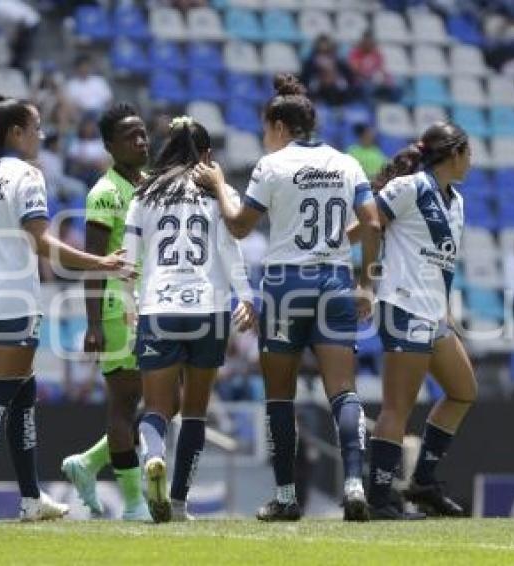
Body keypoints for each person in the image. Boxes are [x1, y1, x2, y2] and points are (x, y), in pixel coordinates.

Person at [0, 93, 134, 523]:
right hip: (13, 301)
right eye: (37, 128)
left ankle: (32, 498)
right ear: (17, 132)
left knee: (23, 394)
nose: (42, 135)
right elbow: (42, 244)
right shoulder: (26, 176)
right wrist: (100, 261)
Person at [195, 75, 381, 522]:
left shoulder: (271, 165)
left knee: (280, 397)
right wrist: (367, 284)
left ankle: (284, 496)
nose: (264, 136)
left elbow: (239, 225)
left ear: (279, 124)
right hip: (335, 283)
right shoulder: (347, 163)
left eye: (265, 127)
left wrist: (219, 184)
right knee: (344, 392)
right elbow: (373, 225)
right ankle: (355, 483)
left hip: (285, 285)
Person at [127, 116, 256, 522]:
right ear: (207, 156)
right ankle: (180, 503)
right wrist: (247, 296)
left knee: (156, 408)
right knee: (196, 411)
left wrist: (133, 302)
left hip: (159, 306)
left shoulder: (144, 194)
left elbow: (129, 262)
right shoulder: (219, 192)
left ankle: (153, 455)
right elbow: (232, 249)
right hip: (208, 308)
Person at [359, 122, 475, 519]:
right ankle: (377, 501)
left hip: (433, 312)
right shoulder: (410, 187)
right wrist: (367, 281)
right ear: (454, 153)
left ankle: (422, 482)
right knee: (397, 408)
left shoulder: (456, 200)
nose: (471, 162)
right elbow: (367, 225)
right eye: (468, 153)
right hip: (403, 306)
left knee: (462, 391)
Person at [60, 104, 152, 521]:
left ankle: (89, 463)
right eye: (131, 136)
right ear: (110, 146)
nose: (141, 140)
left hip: (150, 302)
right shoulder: (105, 192)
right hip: (120, 306)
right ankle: (134, 503)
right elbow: (93, 262)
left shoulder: (149, 185)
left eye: (143, 133)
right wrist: (94, 322)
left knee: (158, 397)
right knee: (124, 401)